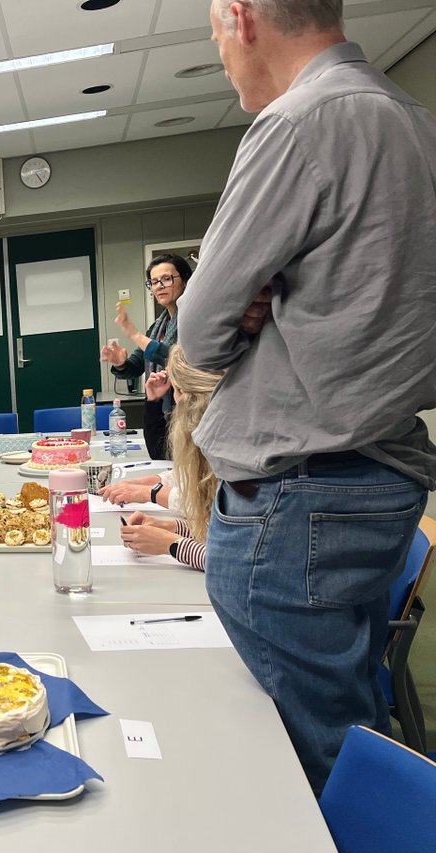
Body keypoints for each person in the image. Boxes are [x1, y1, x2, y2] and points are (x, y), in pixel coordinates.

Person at [178, 0, 436, 793]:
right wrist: (273, 295)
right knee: (353, 719)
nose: (220, 54)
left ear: (240, 16)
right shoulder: (419, 124)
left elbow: (202, 330)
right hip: (379, 475)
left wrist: (252, 301)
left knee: (313, 763)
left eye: (214, 33)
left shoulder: (297, 125)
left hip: (300, 496)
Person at [119, 348, 225, 573]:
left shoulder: (229, 458)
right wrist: (169, 526)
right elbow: (218, 528)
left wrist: (170, 544)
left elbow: (231, 560)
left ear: (185, 396)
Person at [100, 253, 192, 461]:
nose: (159, 286)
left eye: (167, 279)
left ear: (186, 280)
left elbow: (176, 359)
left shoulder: (194, 320)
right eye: (153, 282)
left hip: (189, 413)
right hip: (159, 410)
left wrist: (133, 333)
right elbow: (138, 363)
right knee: (161, 463)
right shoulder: (159, 325)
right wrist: (121, 363)